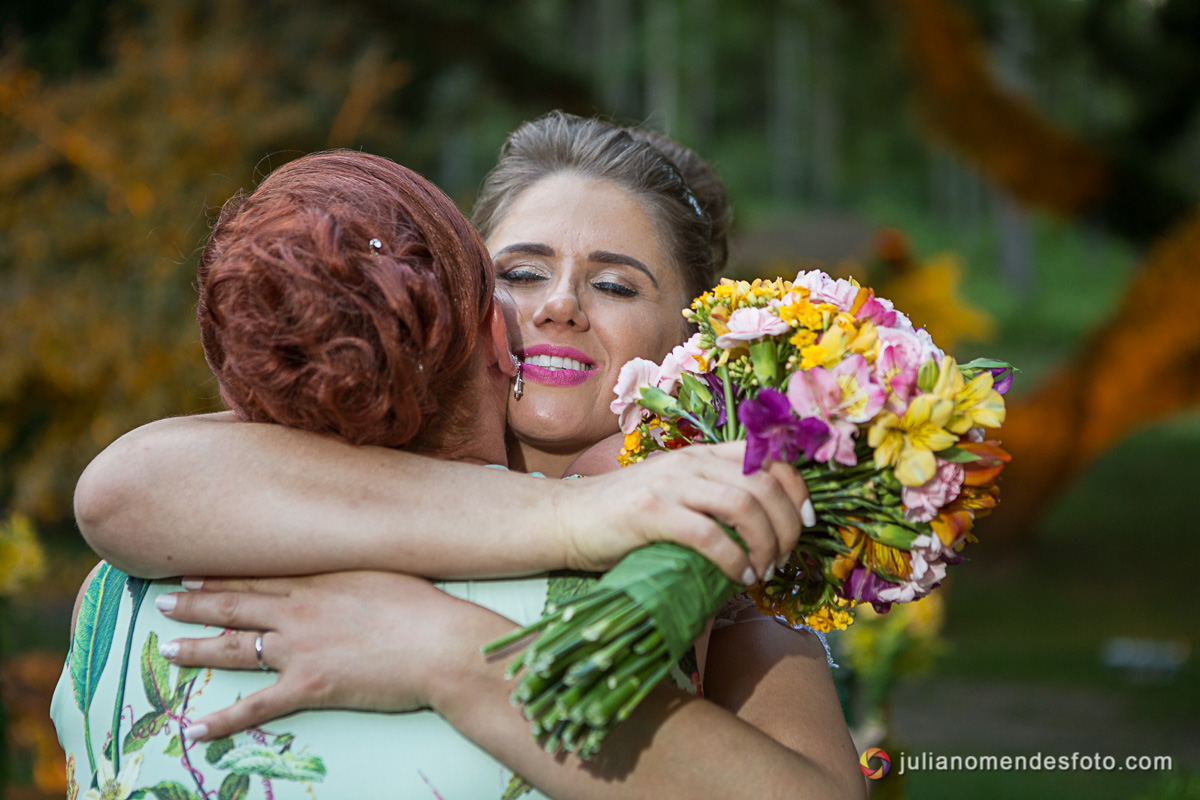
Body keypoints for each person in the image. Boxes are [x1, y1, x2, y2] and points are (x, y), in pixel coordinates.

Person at [63, 116, 865, 797]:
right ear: (469, 300)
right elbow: (122, 488)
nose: (558, 305)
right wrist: (576, 512)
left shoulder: (730, 609)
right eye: (520, 272)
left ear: (688, 344)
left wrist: (442, 650)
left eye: (616, 286)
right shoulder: (304, 478)